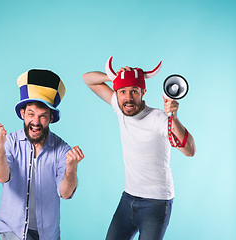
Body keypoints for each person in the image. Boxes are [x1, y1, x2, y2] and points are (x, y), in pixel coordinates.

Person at [83, 57, 196, 240]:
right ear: (117, 93)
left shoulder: (158, 119)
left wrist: (173, 118)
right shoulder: (121, 108)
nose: (128, 98)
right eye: (122, 91)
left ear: (143, 92)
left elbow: (189, 150)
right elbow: (88, 79)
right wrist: (115, 77)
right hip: (128, 198)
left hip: (156, 202)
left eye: (134, 91)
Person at [0, 69, 84, 240]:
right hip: (12, 229)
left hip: (47, 233)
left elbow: (66, 193)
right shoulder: (9, 142)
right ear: (23, 114)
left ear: (51, 118)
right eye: (31, 114)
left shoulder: (62, 149)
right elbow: (2, 177)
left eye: (43, 116)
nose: (36, 122)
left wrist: (71, 167)